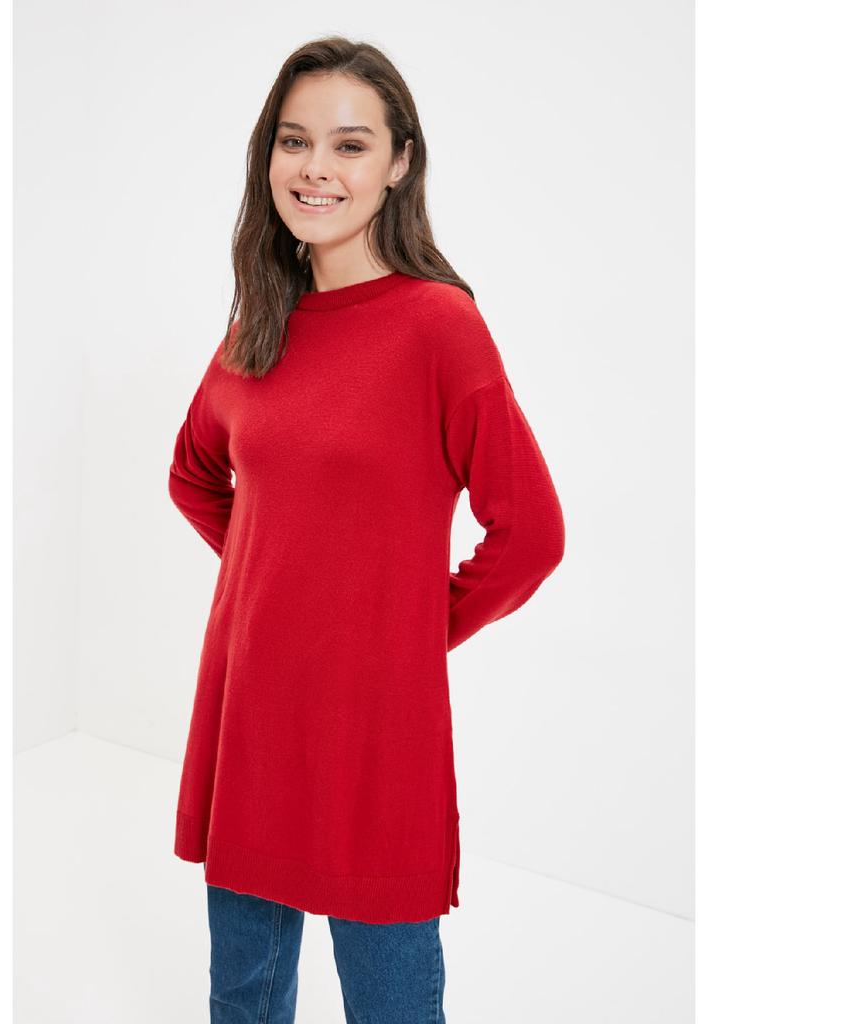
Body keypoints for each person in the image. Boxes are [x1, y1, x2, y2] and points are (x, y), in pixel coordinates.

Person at [167, 35, 566, 1024]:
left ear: (398, 163)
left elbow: (531, 534)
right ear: (268, 157)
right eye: (294, 140)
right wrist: (287, 587)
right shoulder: (257, 325)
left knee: (389, 1001)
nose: (316, 168)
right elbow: (193, 475)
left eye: (350, 145)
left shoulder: (438, 326)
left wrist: (401, 626)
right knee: (241, 999)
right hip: (254, 714)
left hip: (376, 730)